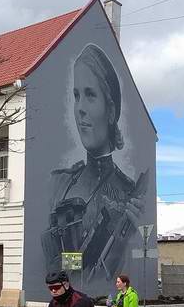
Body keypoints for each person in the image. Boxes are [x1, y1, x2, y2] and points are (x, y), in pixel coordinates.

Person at [41, 44, 147, 290]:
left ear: (110, 110)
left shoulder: (128, 194)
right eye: (76, 95)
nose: (80, 108)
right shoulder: (58, 182)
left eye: (90, 95)